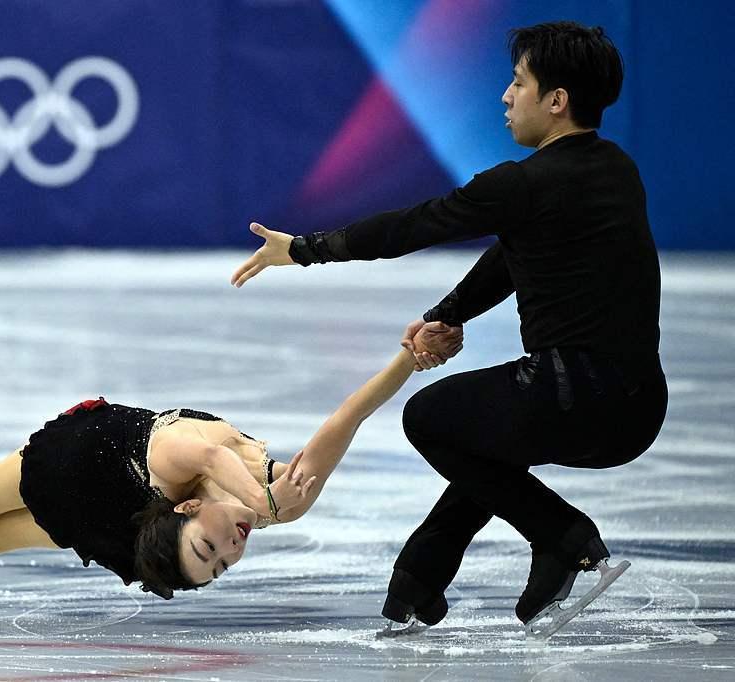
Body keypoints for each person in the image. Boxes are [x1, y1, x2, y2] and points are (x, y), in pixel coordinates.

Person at [230, 21, 666, 636]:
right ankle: (419, 580)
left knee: (432, 418)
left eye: (519, 83)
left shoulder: (523, 183)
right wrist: (447, 316)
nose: (506, 96)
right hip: (638, 407)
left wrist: (304, 249)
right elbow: (516, 253)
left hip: (572, 397)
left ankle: (563, 537)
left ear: (556, 100)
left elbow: (411, 227)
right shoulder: (617, 170)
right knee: (487, 440)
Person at [0, 344, 445, 612]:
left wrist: (262, 498)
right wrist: (408, 360)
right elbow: (347, 418)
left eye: (210, 554)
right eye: (222, 560)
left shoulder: (236, 485)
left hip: (102, 482)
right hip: (99, 465)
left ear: (186, 513)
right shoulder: (276, 499)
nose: (231, 548)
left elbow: (216, 461)